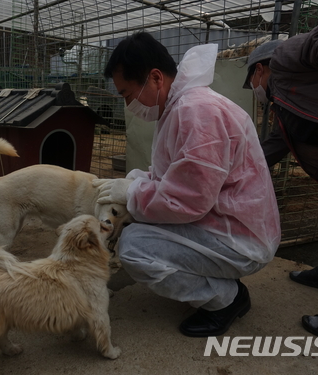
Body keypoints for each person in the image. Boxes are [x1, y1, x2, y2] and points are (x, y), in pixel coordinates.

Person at [93, 32, 281, 337]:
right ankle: (221, 283)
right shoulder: (181, 107)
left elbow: (189, 200)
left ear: (155, 78)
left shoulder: (196, 112)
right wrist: (135, 182)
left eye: (127, 94)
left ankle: (226, 300)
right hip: (226, 223)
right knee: (137, 227)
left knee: (135, 248)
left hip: (240, 239)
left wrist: (132, 193)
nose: (129, 105)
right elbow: (176, 176)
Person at [243, 20, 318, 342]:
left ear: (261, 69)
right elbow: (272, 148)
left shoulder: (285, 58)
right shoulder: (287, 106)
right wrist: (229, 176)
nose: (253, 89)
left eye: (251, 80)